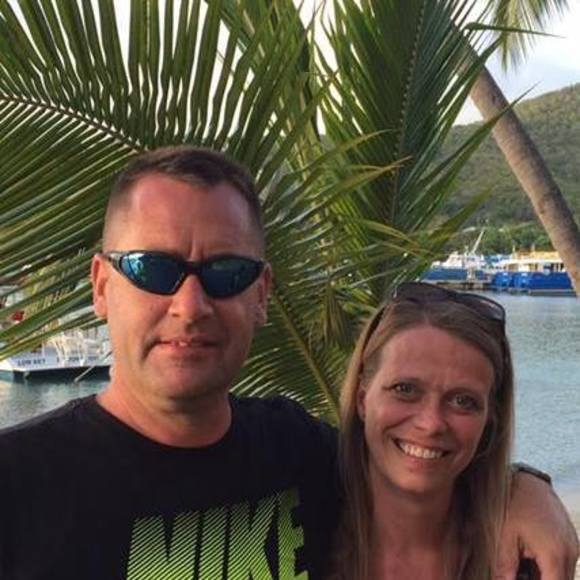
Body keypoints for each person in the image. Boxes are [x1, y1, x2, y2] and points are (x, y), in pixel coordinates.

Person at [0, 146, 576, 580]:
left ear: (261, 294)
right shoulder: (20, 482)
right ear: (102, 285)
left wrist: (525, 488)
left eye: (226, 273)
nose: (190, 306)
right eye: (154, 269)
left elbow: (416, 458)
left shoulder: (298, 452)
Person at [331, 283, 518, 578]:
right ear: (362, 399)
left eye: (463, 401)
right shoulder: (300, 534)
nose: (431, 424)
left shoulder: (517, 565)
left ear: (490, 421)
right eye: (405, 389)